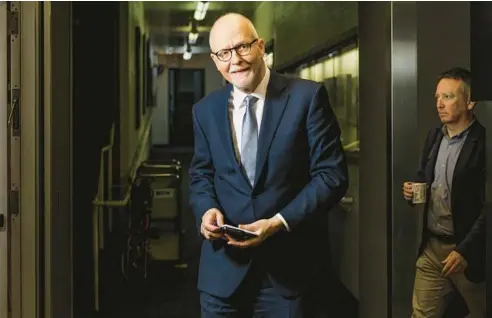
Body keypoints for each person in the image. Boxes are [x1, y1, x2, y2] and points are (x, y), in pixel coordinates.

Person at [188, 13, 349, 317]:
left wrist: (277, 223)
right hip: (222, 275)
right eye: (224, 53)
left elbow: (332, 176)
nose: (234, 60)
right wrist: (206, 209)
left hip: (288, 275)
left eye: (242, 47)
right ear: (214, 59)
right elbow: (201, 175)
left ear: (261, 46)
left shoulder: (307, 98)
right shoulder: (204, 111)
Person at [402, 67, 486, 317]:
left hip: (468, 251)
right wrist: (412, 190)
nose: (439, 104)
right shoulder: (434, 136)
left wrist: (466, 250)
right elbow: (423, 176)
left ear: (470, 101)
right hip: (432, 247)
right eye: (437, 97)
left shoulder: (483, 142)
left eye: (448, 97)